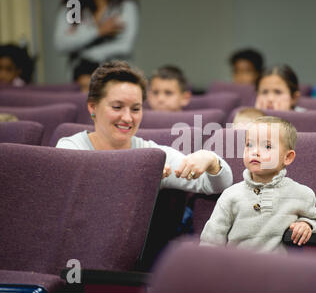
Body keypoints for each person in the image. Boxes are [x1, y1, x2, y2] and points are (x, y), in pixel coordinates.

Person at [56, 60, 233, 195]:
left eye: (135, 109)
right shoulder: (71, 147)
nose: (127, 118)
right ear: (93, 107)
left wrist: (210, 160)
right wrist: (137, 172)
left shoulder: (152, 155)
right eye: (117, 107)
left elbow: (217, 185)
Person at [200, 116, 316, 252]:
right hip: (236, 268)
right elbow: (211, 241)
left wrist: (306, 224)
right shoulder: (230, 195)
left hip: (279, 270)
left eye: (267, 146)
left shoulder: (302, 194)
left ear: (287, 157)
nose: (255, 152)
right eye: (249, 145)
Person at [54, 0, 139, 80]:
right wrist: (98, 31)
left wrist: (82, 49)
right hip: (81, 76)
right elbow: (62, 44)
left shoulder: (124, 4)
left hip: (117, 74)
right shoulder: (73, 5)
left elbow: (125, 46)